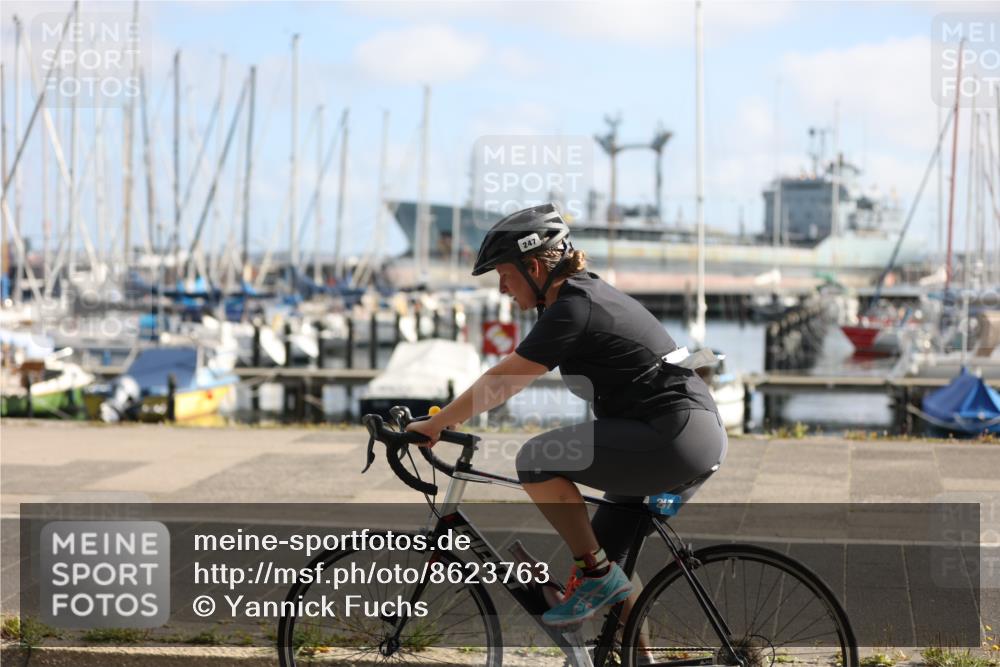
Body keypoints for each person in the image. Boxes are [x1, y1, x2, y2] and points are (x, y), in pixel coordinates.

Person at [406, 203, 727, 628]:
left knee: (536, 461)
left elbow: (506, 378)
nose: (502, 289)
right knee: (610, 564)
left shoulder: (574, 307)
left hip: (673, 437)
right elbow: (505, 379)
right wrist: (456, 416)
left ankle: (596, 575)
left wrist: (437, 421)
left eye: (504, 275)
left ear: (534, 267)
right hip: (686, 433)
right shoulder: (583, 295)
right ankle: (631, 654)